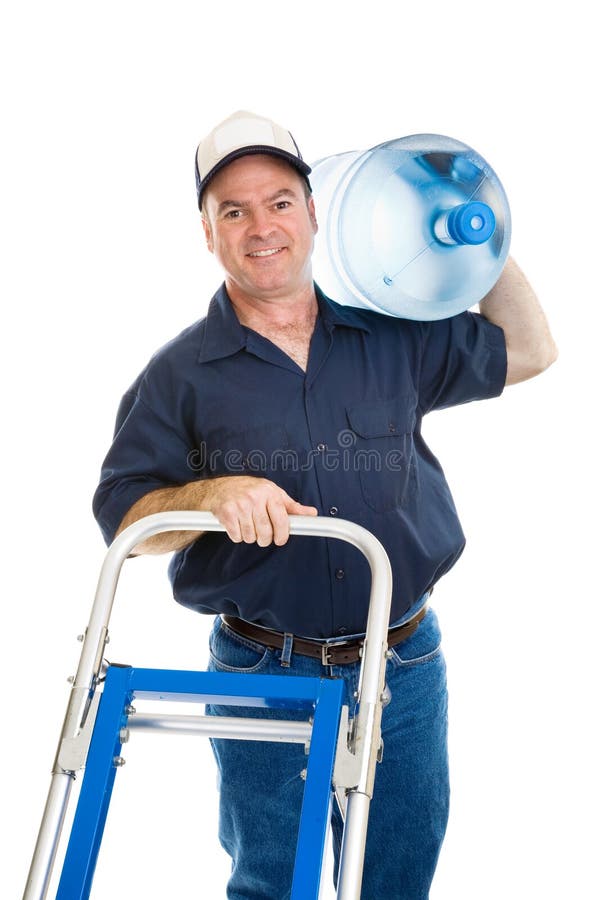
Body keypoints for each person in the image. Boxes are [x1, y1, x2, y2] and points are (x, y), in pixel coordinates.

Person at [93, 110, 558, 898]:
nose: (260, 226)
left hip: (402, 662)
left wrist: (479, 236)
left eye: (278, 201)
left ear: (314, 211)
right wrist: (210, 494)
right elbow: (126, 523)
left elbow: (533, 350)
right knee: (275, 881)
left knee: (397, 879)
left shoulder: (395, 332)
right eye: (232, 211)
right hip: (262, 671)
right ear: (207, 233)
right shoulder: (181, 374)